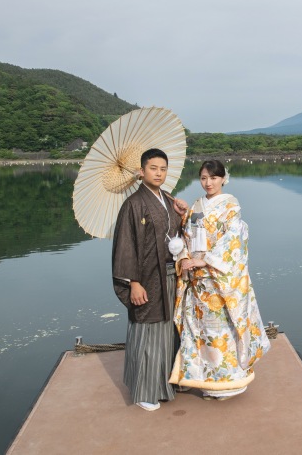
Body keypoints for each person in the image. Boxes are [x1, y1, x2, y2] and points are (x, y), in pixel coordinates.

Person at [173, 159, 270, 400]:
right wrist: (185, 254)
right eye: (204, 178)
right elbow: (186, 235)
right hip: (198, 282)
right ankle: (205, 381)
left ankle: (230, 383)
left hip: (218, 279)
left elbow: (233, 242)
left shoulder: (230, 206)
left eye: (214, 178)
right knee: (201, 331)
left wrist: (204, 260)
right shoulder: (196, 205)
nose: (208, 183)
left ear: (223, 179)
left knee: (222, 331)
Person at [112, 148, 188, 411]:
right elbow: (125, 246)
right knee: (147, 330)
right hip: (145, 278)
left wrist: (182, 211)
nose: (159, 173)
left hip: (170, 275)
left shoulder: (168, 201)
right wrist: (133, 281)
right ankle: (145, 389)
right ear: (141, 171)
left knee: (169, 330)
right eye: (153, 168)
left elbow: (177, 232)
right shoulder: (133, 205)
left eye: (163, 168)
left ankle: (168, 381)